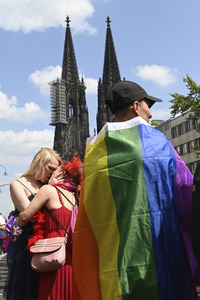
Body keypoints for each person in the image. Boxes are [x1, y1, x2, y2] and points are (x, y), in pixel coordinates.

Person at [72, 81, 199, 299]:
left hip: (115, 267)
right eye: (149, 106)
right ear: (136, 106)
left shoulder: (94, 155)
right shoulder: (156, 144)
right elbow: (187, 195)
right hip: (161, 260)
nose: (150, 112)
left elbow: (88, 216)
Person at [18, 156, 83, 300]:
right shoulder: (74, 196)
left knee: (51, 293)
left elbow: (25, 217)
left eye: (55, 170)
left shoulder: (48, 190)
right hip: (70, 255)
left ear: (60, 174)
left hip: (51, 254)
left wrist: (18, 222)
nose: (51, 173)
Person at [5, 147, 61, 300]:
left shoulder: (48, 185)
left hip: (50, 247)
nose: (52, 173)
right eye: (50, 168)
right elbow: (30, 214)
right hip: (28, 249)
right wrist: (50, 189)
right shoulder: (17, 184)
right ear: (40, 163)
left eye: (55, 170)